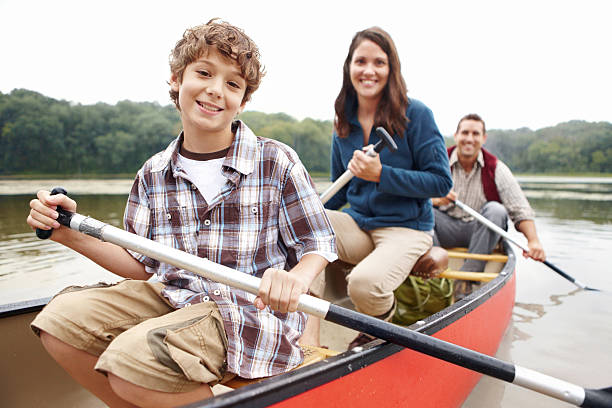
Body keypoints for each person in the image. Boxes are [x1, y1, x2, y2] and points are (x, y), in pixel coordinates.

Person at [26, 19, 336, 408]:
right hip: (176, 300)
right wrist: (66, 232)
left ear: (243, 100)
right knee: (60, 320)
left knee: (130, 362)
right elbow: (144, 264)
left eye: (232, 83)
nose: (215, 90)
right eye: (204, 73)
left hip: (248, 315)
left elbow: (318, 242)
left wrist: (295, 278)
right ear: (176, 79)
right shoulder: (153, 173)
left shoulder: (276, 160)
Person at [301, 26, 452, 349]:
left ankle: (382, 323)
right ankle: (309, 341)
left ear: (391, 69)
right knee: (303, 227)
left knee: (364, 286)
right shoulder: (343, 119)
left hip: (406, 228)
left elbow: (441, 181)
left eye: (379, 63)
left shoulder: (418, 114)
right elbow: (340, 192)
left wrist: (382, 174)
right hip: (360, 225)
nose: (369, 71)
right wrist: (306, 205)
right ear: (349, 67)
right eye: (361, 61)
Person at [432, 113, 546, 275]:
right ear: (456, 136)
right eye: (465, 133)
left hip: (480, 234)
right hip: (444, 230)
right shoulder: (437, 162)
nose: (469, 139)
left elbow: (520, 208)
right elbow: (412, 197)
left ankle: (467, 281)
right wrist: (435, 200)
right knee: (423, 210)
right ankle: (436, 275)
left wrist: (533, 241)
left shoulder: (496, 168)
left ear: (483, 138)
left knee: (496, 210)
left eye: (475, 134)